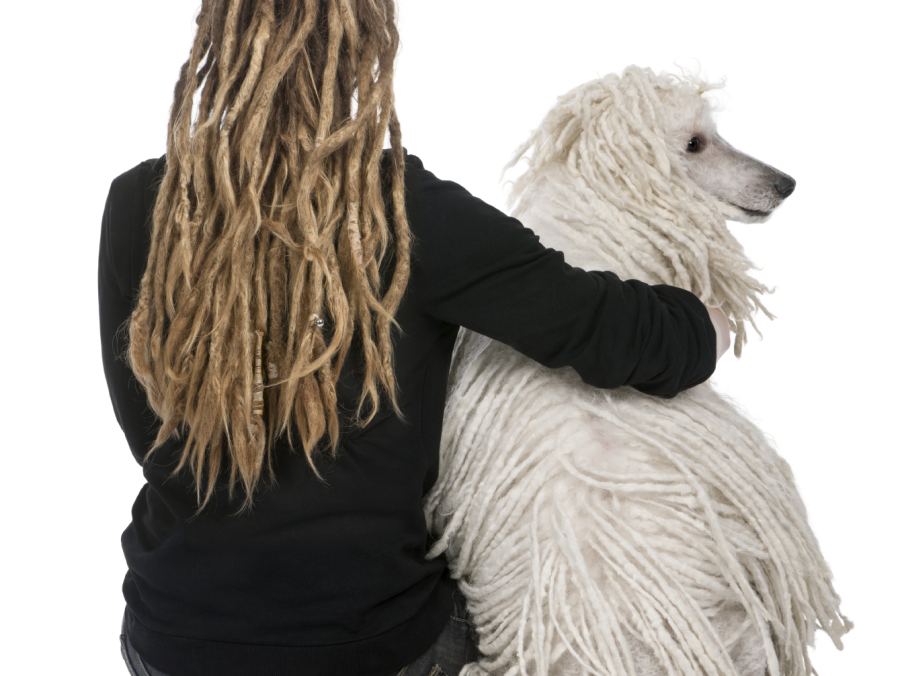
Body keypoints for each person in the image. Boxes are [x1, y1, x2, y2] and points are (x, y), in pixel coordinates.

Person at [99, 2, 729, 675]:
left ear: (217, 44)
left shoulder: (138, 201)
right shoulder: (404, 208)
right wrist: (701, 325)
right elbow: (602, 327)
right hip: (371, 647)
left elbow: (148, 427)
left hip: (171, 639)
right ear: (362, 52)